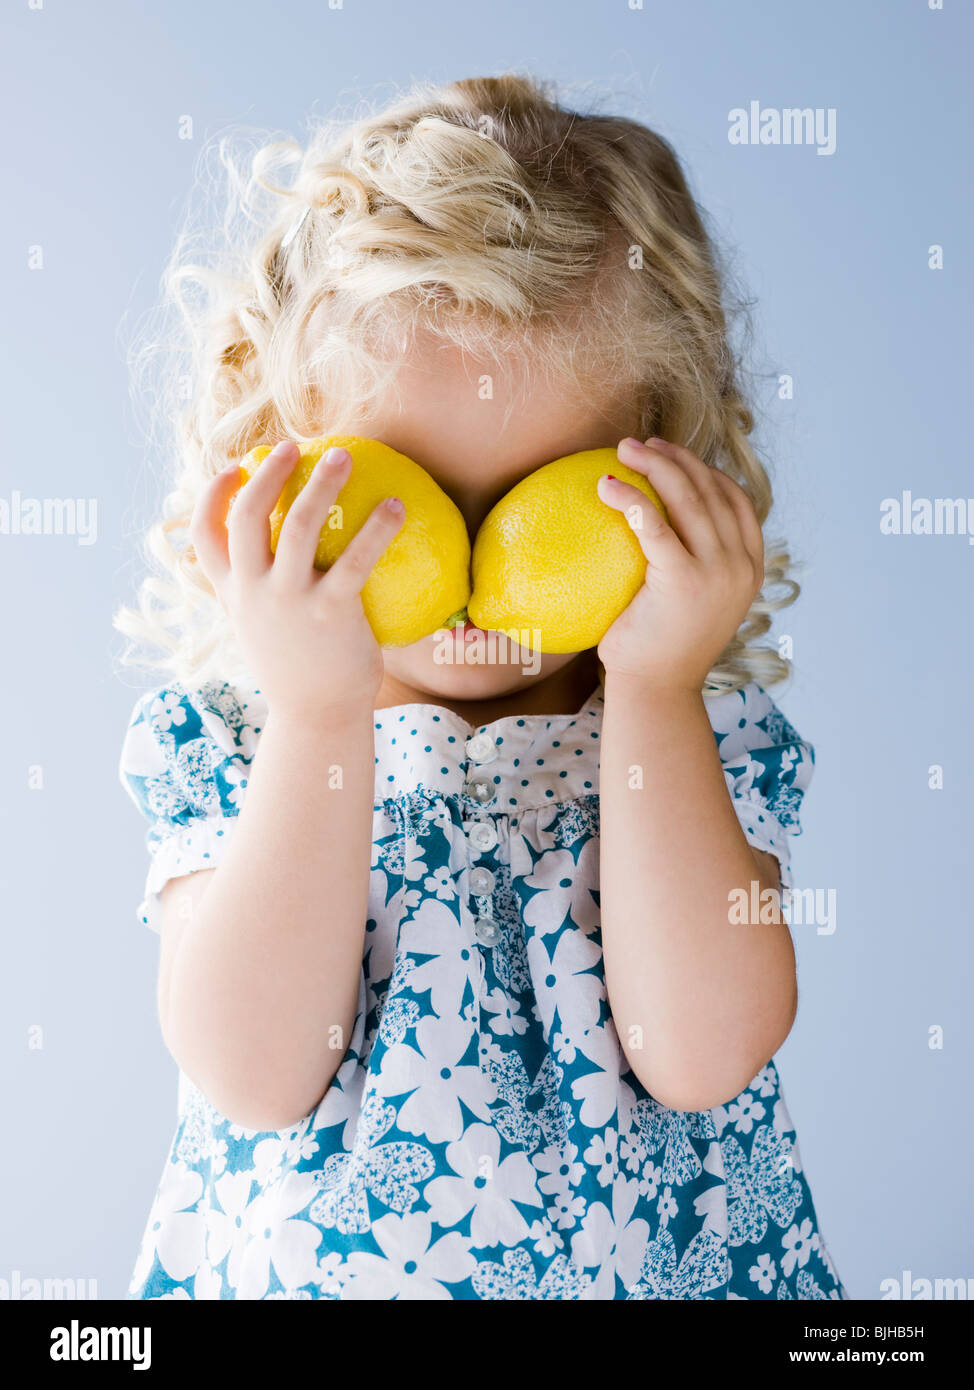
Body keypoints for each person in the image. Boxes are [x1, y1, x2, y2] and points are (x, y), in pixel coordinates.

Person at [115, 73, 846, 1300]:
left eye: (529, 503)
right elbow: (253, 1067)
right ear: (276, 462)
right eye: (404, 503)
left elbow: (704, 1051)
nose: (465, 583)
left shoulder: (690, 734)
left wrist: (657, 688)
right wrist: (317, 715)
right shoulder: (232, 746)